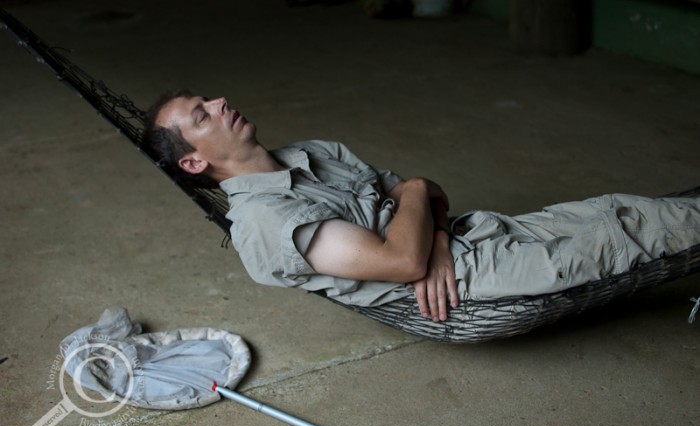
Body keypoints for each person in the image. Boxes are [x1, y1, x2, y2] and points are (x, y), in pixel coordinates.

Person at [142, 90, 700, 325]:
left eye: (208, 99)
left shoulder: (314, 152)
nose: (219, 104)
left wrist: (427, 223)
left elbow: (431, 199)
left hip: (466, 235)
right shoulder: (266, 223)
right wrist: (414, 197)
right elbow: (404, 262)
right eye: (201, 117)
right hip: (470, 278)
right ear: (194, 162)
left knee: (619, 207)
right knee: (628, 235)